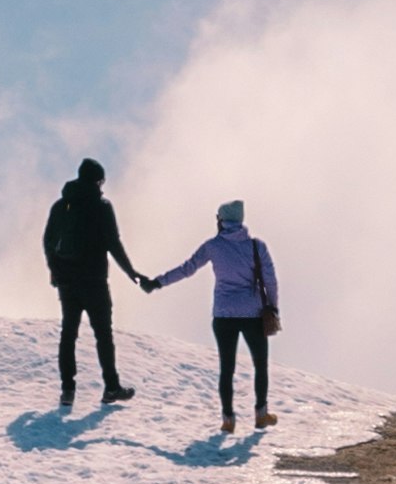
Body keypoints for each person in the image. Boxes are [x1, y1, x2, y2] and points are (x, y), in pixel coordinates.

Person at [148, 199, 280, 433]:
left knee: (226, 368)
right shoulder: (257, 246)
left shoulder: (212, 246)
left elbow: (187, 269)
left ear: (221, 221)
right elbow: (270, 280)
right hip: (253, 314)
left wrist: (158, 282)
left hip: (223, 314)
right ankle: (261, 414)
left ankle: (228, 419)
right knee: (260, 365)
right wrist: (273, 307)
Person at [40, 157, 144, 408]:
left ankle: (67, 390)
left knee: (68, 334)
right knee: (103, 335)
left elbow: (48, 242)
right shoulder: (102, 206)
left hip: (67, 282)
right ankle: (111, 387)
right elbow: (113, 244)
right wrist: (132, 273)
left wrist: (55, 271)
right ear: (98, 180)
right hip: (95, 281)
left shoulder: (61, 205)